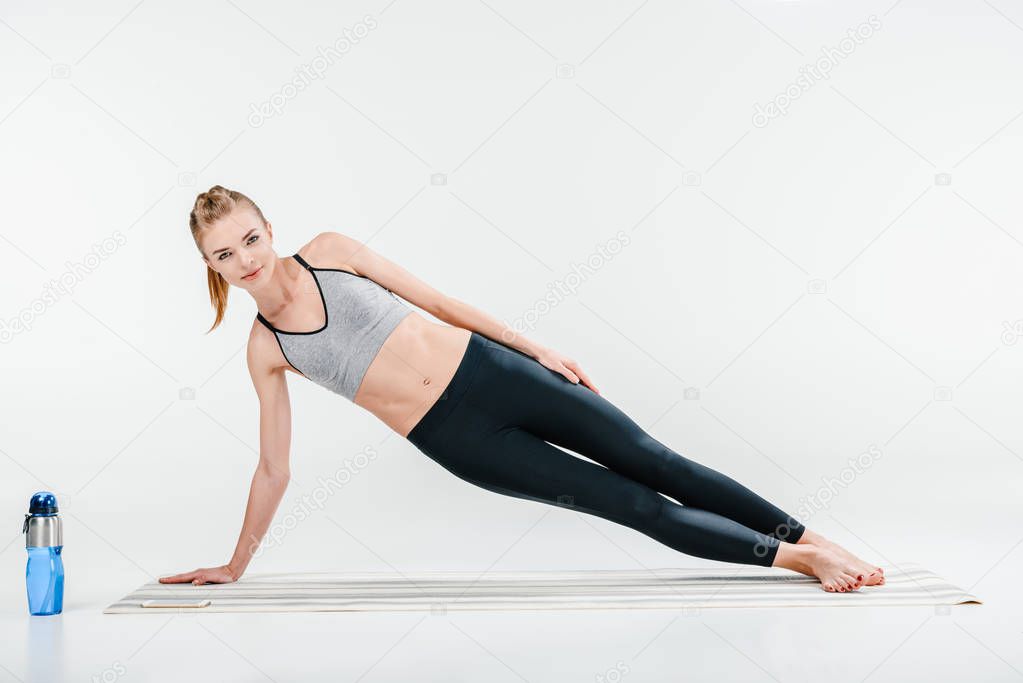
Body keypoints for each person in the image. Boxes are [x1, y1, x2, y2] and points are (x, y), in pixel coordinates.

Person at [160, 185, 884, 593]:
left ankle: (813, 536)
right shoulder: (266, 348)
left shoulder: (331, 252)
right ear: (212, 266)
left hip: (496, 371)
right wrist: (235, 563)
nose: (245, 259)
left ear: (267, 227)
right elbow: (274, 466)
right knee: (633, 503)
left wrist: (536, 347)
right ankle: (802, 560)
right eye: (224, 254)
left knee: (661, 462)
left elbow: (440, 302)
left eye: (249, 238)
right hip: (460, 440)